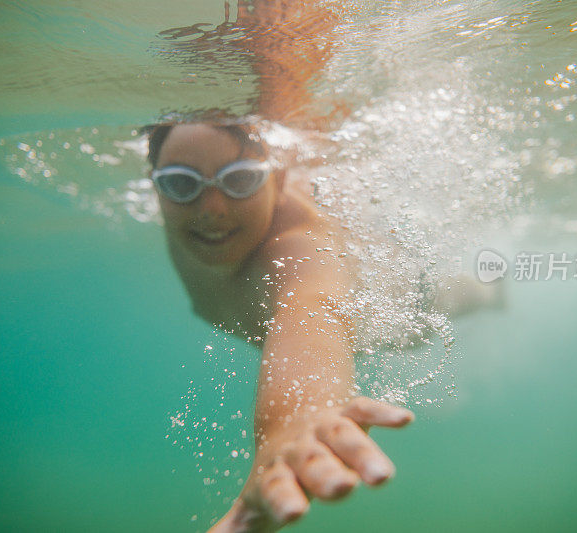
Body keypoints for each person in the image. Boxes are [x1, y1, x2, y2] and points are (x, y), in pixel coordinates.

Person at [148, 118, 414, 531]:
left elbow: (311, 306)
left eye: (240, 180)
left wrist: (293, 421)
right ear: (156, 187)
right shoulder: (188, 215)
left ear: (279, 176)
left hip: (407, 301)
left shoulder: (300, 239)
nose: (212, 207)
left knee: (470, 294)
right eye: (181, 184)